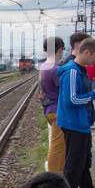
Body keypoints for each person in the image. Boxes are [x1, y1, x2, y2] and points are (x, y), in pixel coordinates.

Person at [58, 36, 95, 188]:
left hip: (80, 122)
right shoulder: (72, 71)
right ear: (86, 52)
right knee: (74, 163)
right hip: (73, 122)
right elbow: (70, 99)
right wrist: (94, 95)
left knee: (83, 162)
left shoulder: (79, 70)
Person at [38, 35, 66, 173]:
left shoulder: (44, 66)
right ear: (60, 49)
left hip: (49, 109)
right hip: (57, 111)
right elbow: (64, 91)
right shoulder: (55, 69)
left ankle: (56, 173)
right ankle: (54, 177)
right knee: (58, 147)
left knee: (57, 145)